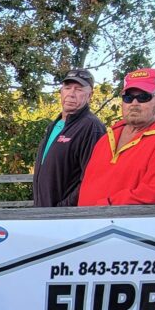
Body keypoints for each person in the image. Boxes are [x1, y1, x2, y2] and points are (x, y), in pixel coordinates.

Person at [78, 68, 155, 206]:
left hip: (124, 225)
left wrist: (107, 205)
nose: (134, 104)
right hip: (89, 223)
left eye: (144, 97)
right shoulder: (107, 137)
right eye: (128, 97)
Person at [33, 68, 106, 206]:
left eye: (79, 89)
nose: (71, 94)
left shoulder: (91, 127)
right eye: (67, 88)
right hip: (44, 212)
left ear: (90, 95)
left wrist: (63, 208)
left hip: (66, 217)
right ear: (61, 91)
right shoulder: (56, 125)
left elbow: (93, 179)